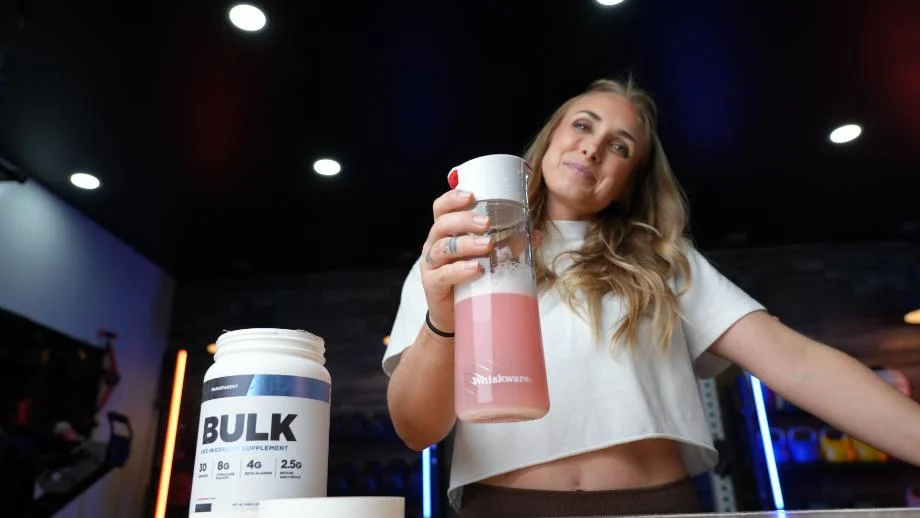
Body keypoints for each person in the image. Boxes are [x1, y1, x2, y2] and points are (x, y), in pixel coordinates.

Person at [381, 77, 920, 517]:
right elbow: (416, 429)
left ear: (628, 181)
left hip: (656, 507)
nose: (593, 147)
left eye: (620, 146)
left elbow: (797, 363)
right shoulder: (454, 255)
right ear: (549, 139)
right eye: (583, 125)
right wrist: (443, 318)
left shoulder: (664, 260)